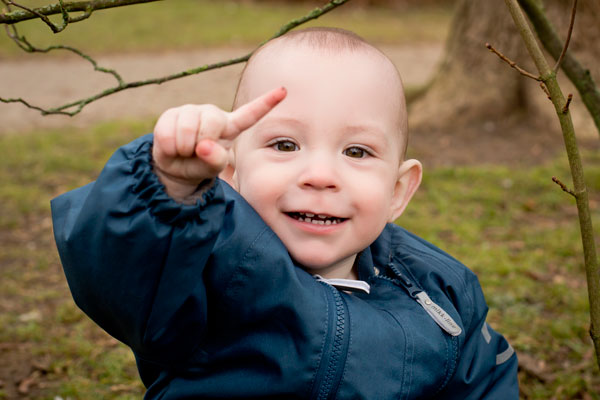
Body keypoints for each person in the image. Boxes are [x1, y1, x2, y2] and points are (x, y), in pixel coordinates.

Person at [51, 27, 518, 399]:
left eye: (356, 151)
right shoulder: (201, 261)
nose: (319, 174)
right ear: (231, 172)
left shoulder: (438, 288)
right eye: (285, 144)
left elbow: (483, 382)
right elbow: (120, 275)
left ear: (398, 191)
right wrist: (169, 187)